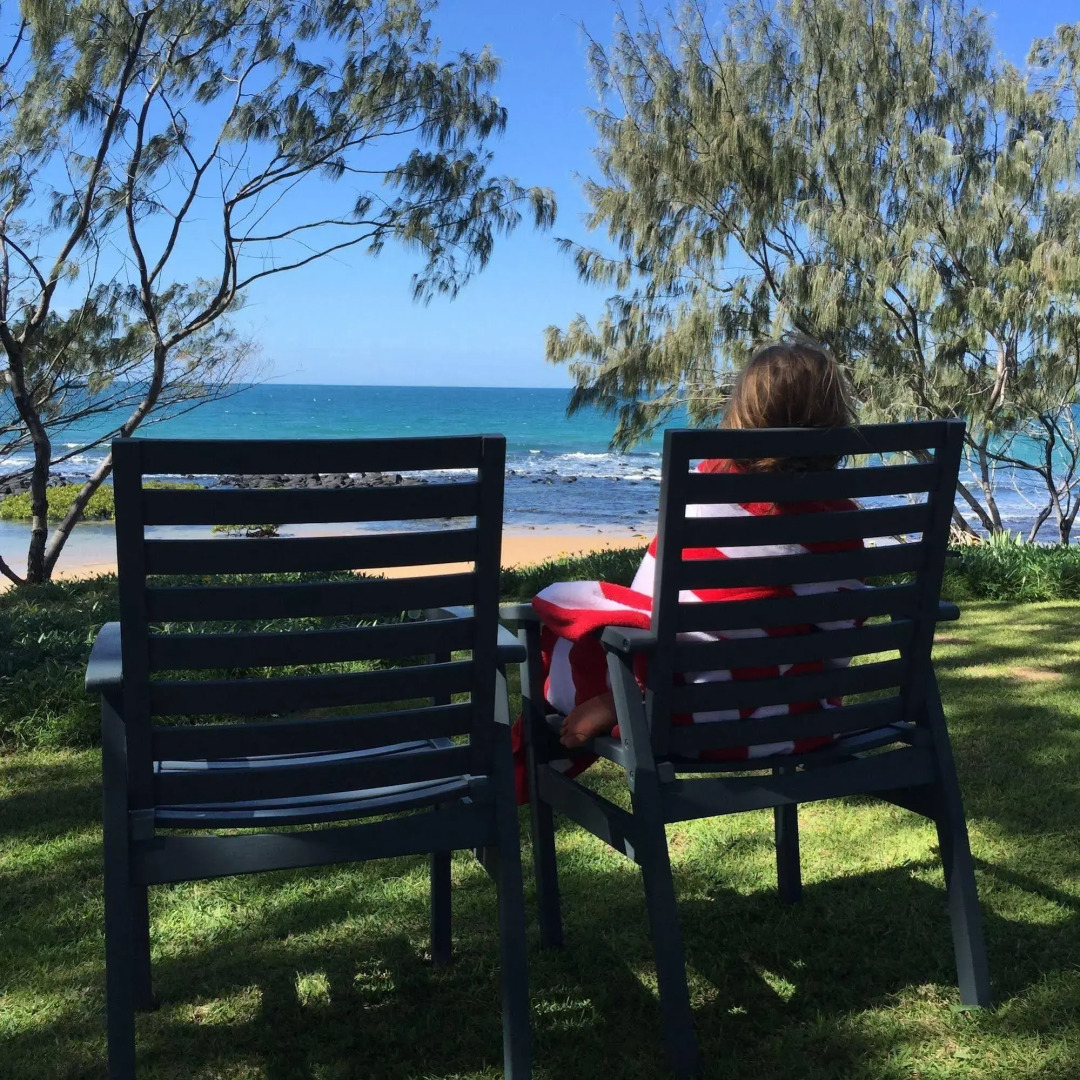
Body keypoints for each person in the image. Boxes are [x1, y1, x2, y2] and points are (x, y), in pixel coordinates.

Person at [513, 339, 865, 801]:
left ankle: (619, 701)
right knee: (753, 639)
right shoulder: (845, 522)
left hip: (695, 729)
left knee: (578, 606)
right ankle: (626, 699)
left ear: (742, 416)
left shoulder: (703, 502)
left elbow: (645, 614)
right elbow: (840, 642)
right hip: (806, 724)